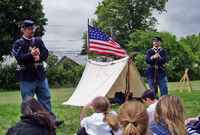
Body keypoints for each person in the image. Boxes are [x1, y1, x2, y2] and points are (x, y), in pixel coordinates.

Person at [12, 20, 64, 127]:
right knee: (28, 102)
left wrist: (39, 57)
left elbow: (46, 52)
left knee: (45, 98)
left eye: (33, 28)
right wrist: (31, 55)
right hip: (27, 76)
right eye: (30, 29)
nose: (33, 31)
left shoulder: (38, 41)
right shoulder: (18, 43)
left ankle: (51, 121)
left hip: (40, 75)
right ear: (23, 30)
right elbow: (19, 58)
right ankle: (30, 124)